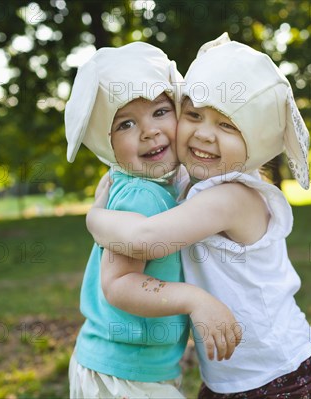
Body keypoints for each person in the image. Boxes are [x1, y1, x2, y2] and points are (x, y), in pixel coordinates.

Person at [87, 33, 311, 398]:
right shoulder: (199, 181)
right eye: (193, 115)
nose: (204, 134)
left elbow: (146, 240)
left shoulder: (230, 196)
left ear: (257, 139)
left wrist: (94, 216)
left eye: (227, 125)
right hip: (237, 376)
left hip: (278, 374)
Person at [64, 41, 241, 399]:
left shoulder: (158, 186)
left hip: (128, 367)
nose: (149, 131)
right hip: (123, 374)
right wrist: (195, 300)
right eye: (126, 123)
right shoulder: (140, 195)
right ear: (106, 142)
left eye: (161, 112)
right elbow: (120, 283)